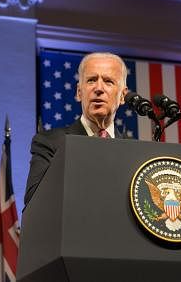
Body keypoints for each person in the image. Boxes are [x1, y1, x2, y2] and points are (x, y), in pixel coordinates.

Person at [23, 52, 129, 206]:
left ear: (122, 96)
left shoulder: (132, 150)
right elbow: (34, 200)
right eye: (91, 80)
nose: (99, 88)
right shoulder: (50, 143)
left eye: (108, 81)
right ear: (79, 92)